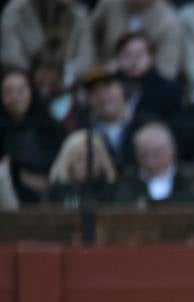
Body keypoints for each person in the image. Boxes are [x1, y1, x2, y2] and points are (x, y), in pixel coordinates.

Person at [1, 67, 66, 205]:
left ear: (31, 92)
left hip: (51, 200)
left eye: (21, 90)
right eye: (8, 91)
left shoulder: (51, 127)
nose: (15, 97)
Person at [109, 120, 194, 204]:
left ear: (172, 151)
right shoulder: (126, 181)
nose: (150, 161)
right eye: (144, 155)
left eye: (157, 154)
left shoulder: (191, 177)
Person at [88, 0, 184, 81]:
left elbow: (166, 72)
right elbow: (88, 40)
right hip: (102, 81)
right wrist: (98, 71)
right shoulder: (108, 5)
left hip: (147, 88)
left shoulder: (168, 21)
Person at [44, 128, 118, 205]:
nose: (86, 164)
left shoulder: (114, 191)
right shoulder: (55, 193)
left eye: (91, 158)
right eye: (79, 159)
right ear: (68, 162)